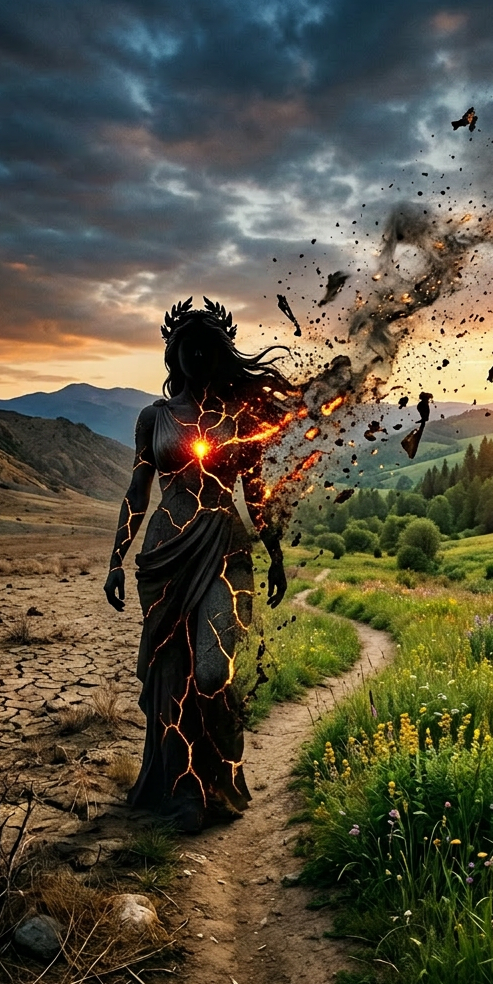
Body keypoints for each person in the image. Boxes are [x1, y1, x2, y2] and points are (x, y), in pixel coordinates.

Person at [104, 297, 288, 832]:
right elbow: (137, 490)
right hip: (164, 552)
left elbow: (256, 492)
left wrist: (273, 553)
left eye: (211, 347)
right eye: (190, 346)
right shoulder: (152, 418)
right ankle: (181, 792)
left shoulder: (240, 419)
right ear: (174, 352)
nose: (200, 355)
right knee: (171, 670)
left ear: (222, 354)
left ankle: (220, 781)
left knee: (212, 670)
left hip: (225, 546)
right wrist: (117, 558)